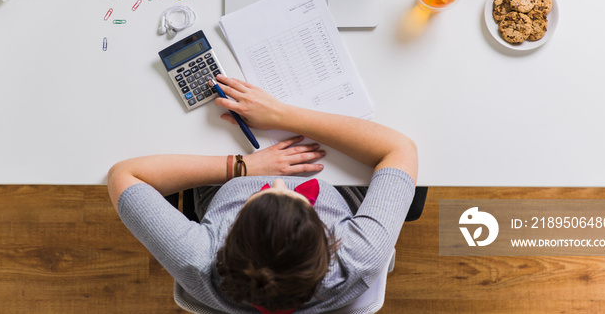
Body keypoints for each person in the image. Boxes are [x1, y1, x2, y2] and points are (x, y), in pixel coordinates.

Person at [108, 74, 418, 313]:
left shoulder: (198, 259)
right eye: (295, 199)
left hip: (233, 173)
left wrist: (243, 167)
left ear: (228, 241)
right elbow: (399, 148)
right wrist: (281, 115)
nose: (279, 182)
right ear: (328, 244)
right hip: (335, 184)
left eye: (263, 195)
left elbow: (124, 174)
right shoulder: (357, 257)